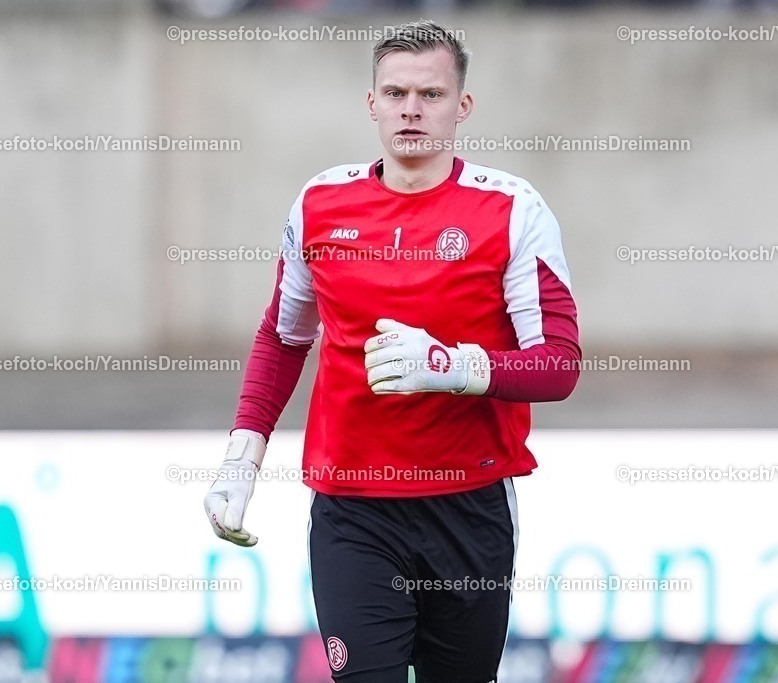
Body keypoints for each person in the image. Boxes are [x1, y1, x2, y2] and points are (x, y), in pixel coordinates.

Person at [203, 19, 581, 683]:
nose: (411, 108)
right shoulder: (320, 203)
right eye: (396, 92)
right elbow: (282, 337)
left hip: (468, 505)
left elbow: (558, 363)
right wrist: (242, 457)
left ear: (462, 107)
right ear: (370, 102)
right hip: (352, 509)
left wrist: (455, 366)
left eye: (431, 94)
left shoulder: (513, 211)